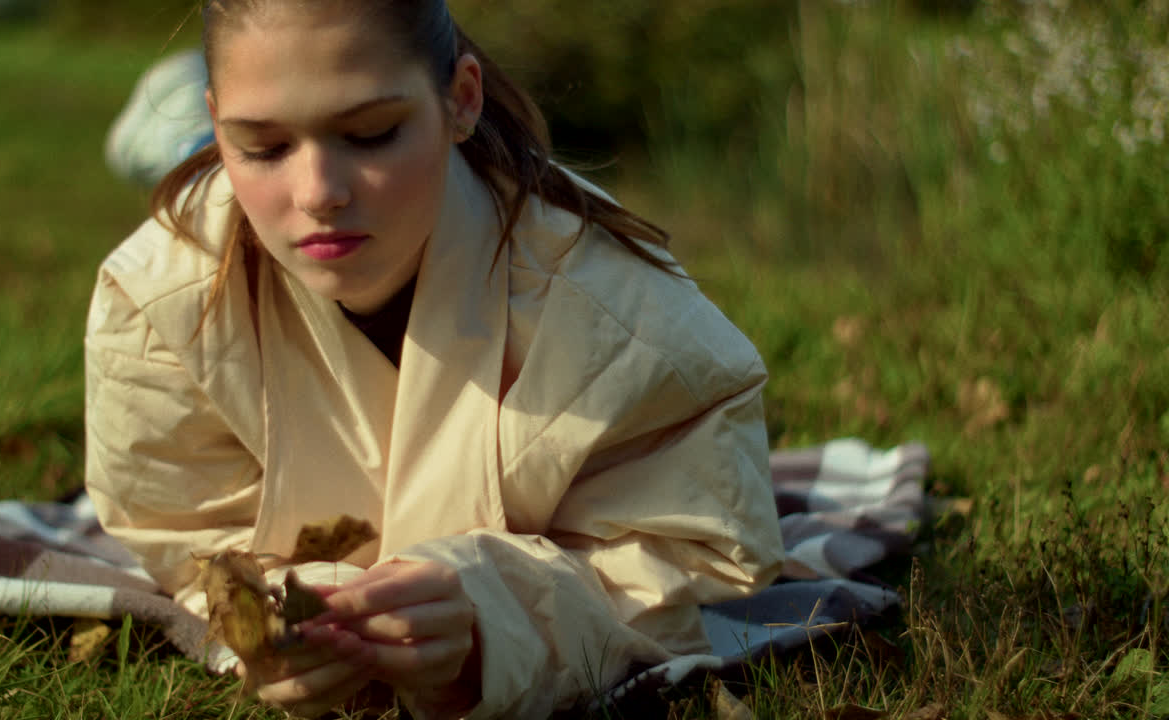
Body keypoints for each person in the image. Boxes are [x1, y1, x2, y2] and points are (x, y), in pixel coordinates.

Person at [84, 1, 785, 717]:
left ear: (462, 99)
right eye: (263, 147)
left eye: (371, 134)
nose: (319, 193)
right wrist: (282, 620)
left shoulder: (619, 316)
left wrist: (489, 621)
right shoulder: (157, 304)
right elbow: (180, 530)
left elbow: (691, 561)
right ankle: (179, 138)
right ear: (219, 120)